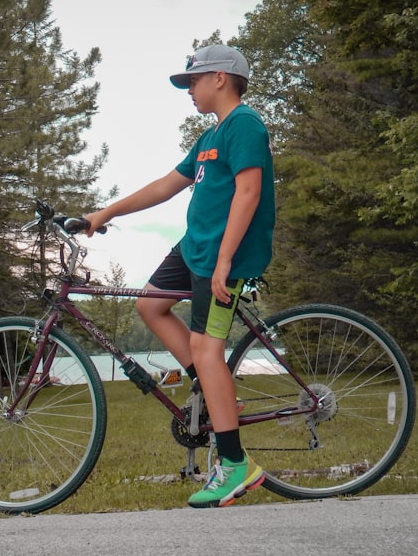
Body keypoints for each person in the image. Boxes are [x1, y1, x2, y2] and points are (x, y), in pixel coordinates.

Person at [84, 44, 275, 508]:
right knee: (149, 305)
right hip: (194, 248)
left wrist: (226, 259)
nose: (188, 89)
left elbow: (249, 193)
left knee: (208, 348)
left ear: (220, 79)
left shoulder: (245, 125)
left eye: (192, 80)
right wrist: (104, 212)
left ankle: (235, 466)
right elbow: (166, 186)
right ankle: (210, 391)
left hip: (220, 259)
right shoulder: (210, 137)